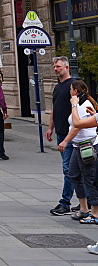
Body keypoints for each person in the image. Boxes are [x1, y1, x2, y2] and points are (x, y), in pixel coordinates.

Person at [58, 79, 98, 224]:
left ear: (75, 91)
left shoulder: (83, 105)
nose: (69, 92)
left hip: (87, 146)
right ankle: (83, 208)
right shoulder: (82, 105)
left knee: (90, 178)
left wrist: (65, 141)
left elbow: (77, 124)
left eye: (70, 90)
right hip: (78, 146)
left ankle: (95, 212)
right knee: (73, 174)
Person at [47, 56, 77, 215]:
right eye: (54, 66)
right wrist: (50, 127)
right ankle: (84, 201)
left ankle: (65, 203)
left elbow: (77, 111)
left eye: (58, 66)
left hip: (70, 134)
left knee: (68, 169)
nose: (55, 69)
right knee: (74, 169)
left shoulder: (73, 86)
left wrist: (68, 137)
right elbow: (55, 108)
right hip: (61, 132)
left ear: (66, 67)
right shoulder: (58, 87)